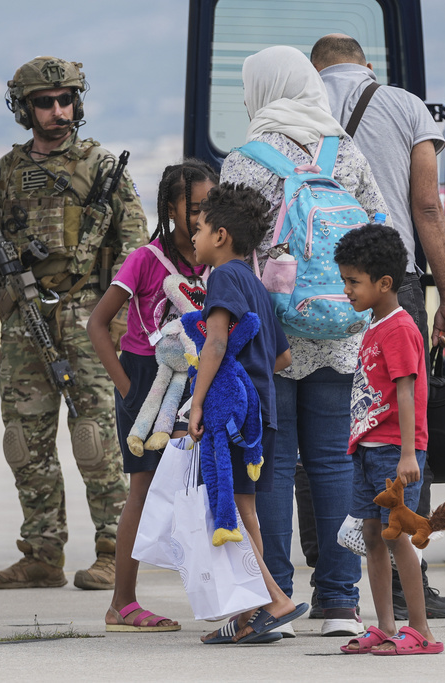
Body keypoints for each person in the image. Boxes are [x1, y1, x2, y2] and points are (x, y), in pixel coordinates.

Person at [219, 45, 389, 638]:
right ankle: (341, 603)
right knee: (334, 464)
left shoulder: (246, 159)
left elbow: (234, 254)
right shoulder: (345, 149)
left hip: (273, 335)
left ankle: (277, 601)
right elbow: (381, 230)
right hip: (342, 331)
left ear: (263, 88)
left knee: (272, 465)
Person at [0, 57, 148, 590]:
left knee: (96, 438)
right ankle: (42, 552)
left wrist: (120, 317)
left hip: (87, 314)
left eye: (66, 100)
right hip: (23, 319)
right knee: (24, 439)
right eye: (45, 102)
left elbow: (135, 247)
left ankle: (115, 550)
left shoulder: (101, 166)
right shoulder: (7, 170)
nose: (58, 111)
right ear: (25, 108)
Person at [309, 33, 445, 620]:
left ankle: (336, 585)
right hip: (389, 281)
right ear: (365, 63)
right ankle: (408, 582)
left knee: (331, 435)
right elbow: (426, 206)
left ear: (317, 67)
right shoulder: (404, 104)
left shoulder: (302, 103)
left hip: (318, 286)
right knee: (399, 419)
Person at [87, 159, 217, 630]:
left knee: (205, 487)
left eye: (210, 206)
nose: (204, 215)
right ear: (170, 207)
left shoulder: (213, 257)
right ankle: (122, 602)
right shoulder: (145, 259)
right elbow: (97, 324)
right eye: (196, 206)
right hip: (146, 379)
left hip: (197, 380)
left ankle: (220, 595)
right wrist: (125, 388)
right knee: (142, 488)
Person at [191, 182, 305, 645]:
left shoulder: (222, 278)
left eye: (197, 229)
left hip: (234, 417)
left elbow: (216, 342)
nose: (193, 237)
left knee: (231, 514)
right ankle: (251, 618)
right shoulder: (255, 284)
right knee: (246, 512)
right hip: (262, 414)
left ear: (220, 235)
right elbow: (282, 358)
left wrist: (199, 401)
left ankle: (273, 600)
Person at [333, 223, 443, 654]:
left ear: (384, 283)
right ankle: (385, 626)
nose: (346, 289)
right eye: (344, 280)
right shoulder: (375, 325)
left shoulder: (398, 328)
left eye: (353, 281)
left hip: (394, 457)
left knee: (396, 538)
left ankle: (421, 631)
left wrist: (408, 455)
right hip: (368, 453)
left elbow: (407, 391)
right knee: (373, 539)